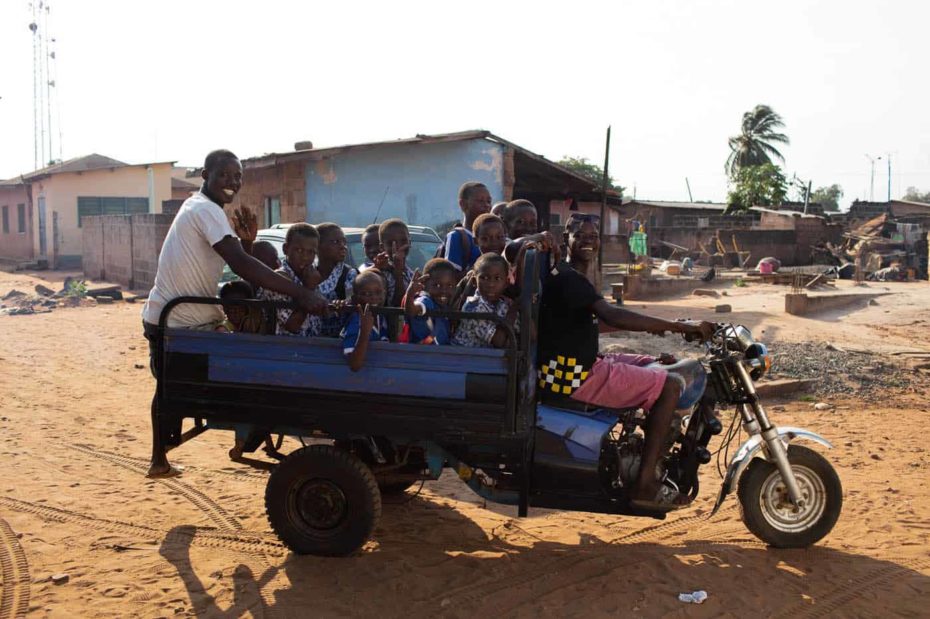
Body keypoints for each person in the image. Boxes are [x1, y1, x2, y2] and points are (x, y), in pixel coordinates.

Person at [142, 149, 326, 477]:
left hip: (188, 317)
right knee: (179, 385)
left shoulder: (202, 209)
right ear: (205, 175)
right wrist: (301, 294)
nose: (232, 182)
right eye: (225, 174)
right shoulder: (205, 209)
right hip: (177, 320)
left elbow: (242, 261)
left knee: (176, 386)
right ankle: (163, 457)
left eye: (238, 176)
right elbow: (240, 263)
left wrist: (249, 246)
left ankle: (166, 455)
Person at [536, 214, 714, 510]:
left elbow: (595, 323)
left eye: (593, 237)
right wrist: (680, 326)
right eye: (580, 235)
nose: (588, 241)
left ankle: (650, 449)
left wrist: (664, 326)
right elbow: (612, 315)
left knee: (653, 363)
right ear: (565, 236)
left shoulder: (572, 275)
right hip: (573, 374)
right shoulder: (569, 277)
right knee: (669, 387)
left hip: (574, 364)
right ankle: (644, 484)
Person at [259, 223, 323, 337]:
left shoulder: (311, 275)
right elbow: (292, 326)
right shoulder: (278, 279)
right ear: (285, 249)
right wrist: (310, 288)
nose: (305, 257)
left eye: (311, 252)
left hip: (312, 346)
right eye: (299, 250)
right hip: (285, 349)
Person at [451, 253, 518, 349]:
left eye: (497, 278)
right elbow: (499, 341)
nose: (491, 284)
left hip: (485, 360)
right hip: (463, 359)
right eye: (484, 278)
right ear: (474, 282)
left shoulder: (503, 304)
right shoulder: (473, 307)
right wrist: (514, 308)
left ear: (506, 283)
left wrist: (521, 301)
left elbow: (530, 334)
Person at [342, 269, 389, 371]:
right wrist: (364, 332)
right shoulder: (356, 322)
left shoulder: (380, 316)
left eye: (378, 292)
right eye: (367, 294)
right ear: (355, 298)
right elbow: (354, 364)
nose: (374, 297)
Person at [315, 223, 357, 337]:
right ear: (317, 246)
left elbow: (352, 300)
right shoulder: (308, 272)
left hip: (338, 341)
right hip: (310, 340)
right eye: (335, 242)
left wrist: (344, 304)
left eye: (344, 242)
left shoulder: (349, 275)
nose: (342, 246)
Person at [442, 181, 492, 276]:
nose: (487, 205)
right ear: (463, 204)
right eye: (480, 201)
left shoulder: (493, 238)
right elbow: (451, 277)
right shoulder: (456, 237)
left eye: (489, 201)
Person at [403, 258, 456, 345]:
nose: (444, 290)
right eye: (437, 285)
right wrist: (410, 294)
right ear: (424, 284)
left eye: (449, 285)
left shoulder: (444, 305)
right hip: (423, 354)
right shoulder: (426, 300)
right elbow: (411, 310)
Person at [365, 218, 413, 308]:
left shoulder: (410, 273)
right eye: (391, 243)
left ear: (409, 243)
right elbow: (397, 307)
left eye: (403, 241)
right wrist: (398, 272)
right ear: (382, 247)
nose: (398, 246)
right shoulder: (379, 274)